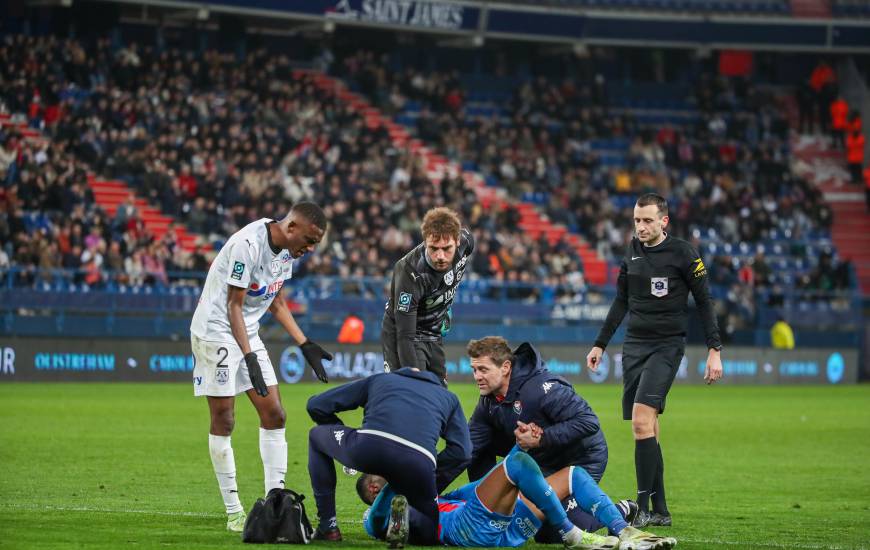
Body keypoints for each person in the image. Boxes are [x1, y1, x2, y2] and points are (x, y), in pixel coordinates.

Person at [189, 202, 335, 532]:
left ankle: (275, 502)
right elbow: (233, 305)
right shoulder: (248, 245)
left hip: (246, 332)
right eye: (309, 240)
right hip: (216, 330)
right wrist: (249, 357)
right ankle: (234, 511)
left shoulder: (286, 254)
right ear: (292, 226)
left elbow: (276, 301)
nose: (309, 249)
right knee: (225, 418)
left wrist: (304, 343)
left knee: (275, 414)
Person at [586, 193, 723, 528]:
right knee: (648, 428)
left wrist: (714, 350)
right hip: (634, 346)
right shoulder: (631, 252)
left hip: (666, 346)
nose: (641, 227)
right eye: (636, 220)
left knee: (640, 422)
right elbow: (620, 301)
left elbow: (704, 302)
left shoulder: (683, 253)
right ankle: (661, 510)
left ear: (664, 221)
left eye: (647, 220)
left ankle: (641, 508)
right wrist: (600, 344)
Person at [359, 447, 676, 550]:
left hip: (505, 528)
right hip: (468, 530)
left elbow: (478, 487)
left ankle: (626, 532)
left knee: (572, 474)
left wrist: (515, 447)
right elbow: (375, 521)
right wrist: (393, 482)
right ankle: (571, 533)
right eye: (379, 479)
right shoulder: (380, 507)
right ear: (374, 489)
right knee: (519, 466)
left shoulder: (434, 495)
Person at [465, 336, 616, 540]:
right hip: (543, 460)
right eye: (474, 370)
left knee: (551, 534)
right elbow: (468, 449)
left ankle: (622, 510)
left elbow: (588, 421)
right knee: (479, 450)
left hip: (582, 459)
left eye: (483, 370)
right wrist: (429, 493)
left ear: (505, 367)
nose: (477, 376)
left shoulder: (541, 389)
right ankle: (484, 509)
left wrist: (542, 439)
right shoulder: (488, 402)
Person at [306, 367, 471, 543]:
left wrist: (340, 433)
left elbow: (316, 405)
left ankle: (328, 526)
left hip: (369, 446)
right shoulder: (449, 398)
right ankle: (410, 516)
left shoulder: (380, 380)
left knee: (316, 436)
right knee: (429, 532)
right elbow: (463, 452)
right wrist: (433, 476)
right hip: (419, 462)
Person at [381, 207, 474, 379]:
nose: (440, 256)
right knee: (412, 392)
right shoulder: (410, 272)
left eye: (447, 248)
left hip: (433, 331)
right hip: (406, 333)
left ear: (458, 241)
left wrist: (445, 308)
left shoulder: (467, 242)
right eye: (433, 248)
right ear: (424, 241)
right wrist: (413, 375)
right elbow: (405, 336)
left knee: (439, 395)